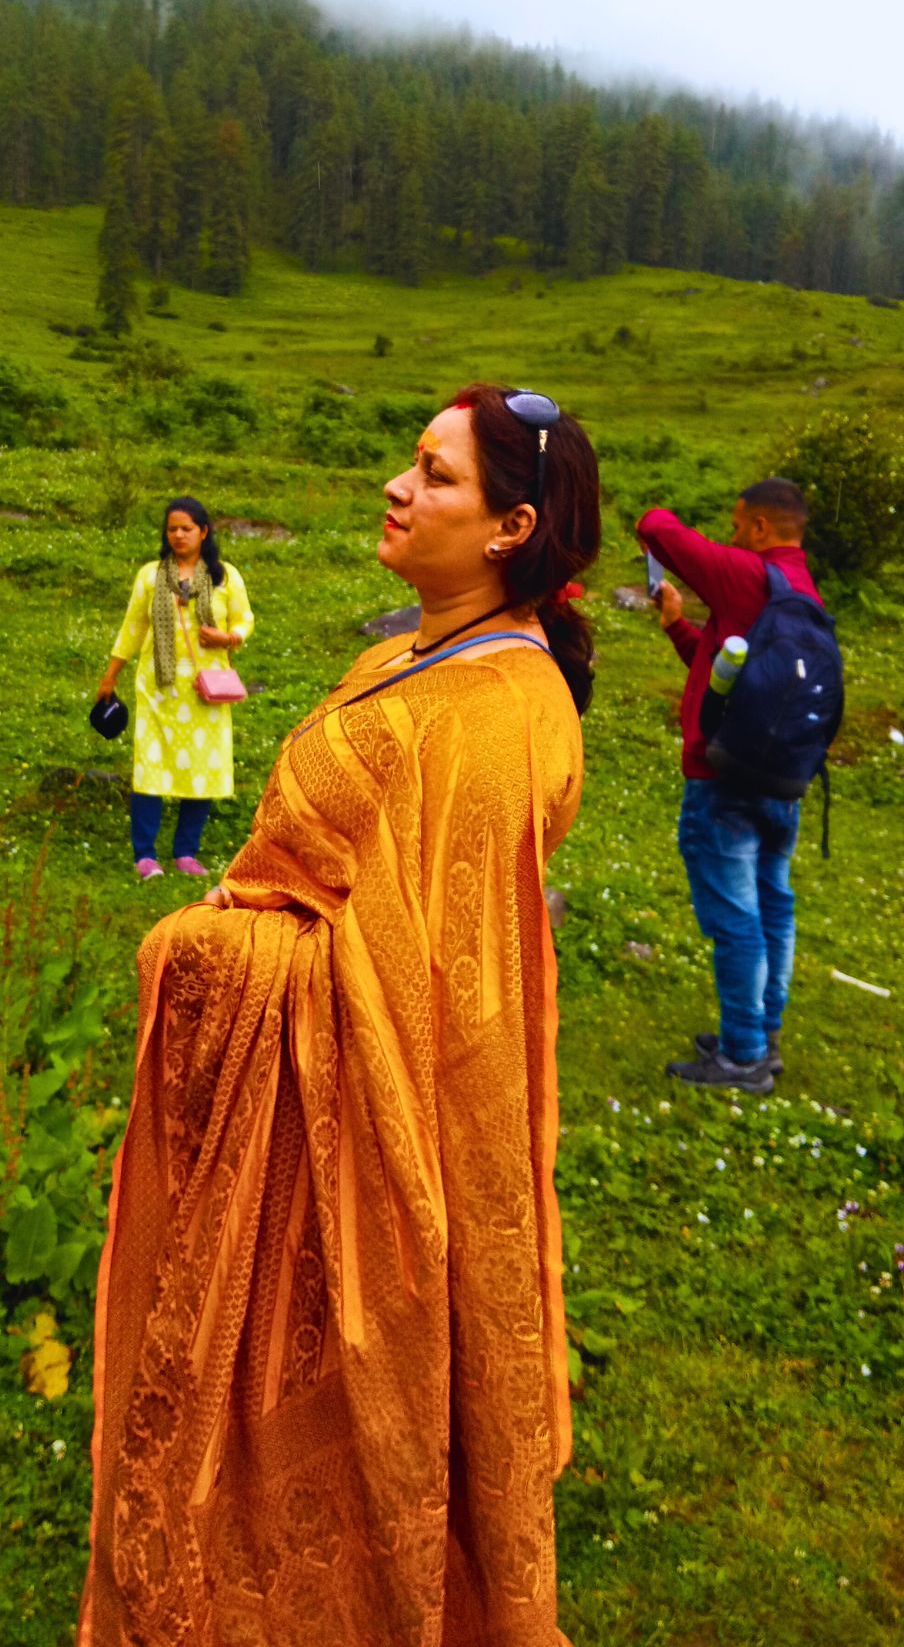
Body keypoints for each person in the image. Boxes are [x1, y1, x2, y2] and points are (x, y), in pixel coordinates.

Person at [79, 384, 601, 1647]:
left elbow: (431, 1008)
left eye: (433, 473)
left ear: (507, 528)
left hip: (359, 1169)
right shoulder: (405, 658)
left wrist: (201, 953)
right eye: (407, 461)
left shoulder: (488, 727)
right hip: (290, 1132)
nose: (397, 486)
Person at [638, 478, 822, 1093]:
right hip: (780, 776)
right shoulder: (799, 590)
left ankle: (742, 1056)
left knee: (736, 917)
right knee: (773, 903)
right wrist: (677, 626)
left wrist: (656, 505)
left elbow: (657, 527)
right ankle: (759, 1033)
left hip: (725, 780)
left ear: (763, 528)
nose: (733, 534)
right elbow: (727, 668)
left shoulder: (748, 575)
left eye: (739, 524)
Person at [97, 497, 253, 880]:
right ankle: (145, 855)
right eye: (172, 529)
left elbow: (245, 619)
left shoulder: (224, 576)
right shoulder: (151, 576)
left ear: (203, 532)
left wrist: (228, 637)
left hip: (206, 688)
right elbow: (133, 627)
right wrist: (110, 675)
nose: (179, 535)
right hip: (158, 686)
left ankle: (186, 852)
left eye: (186, 528)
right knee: (150, 766)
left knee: (202, 767)